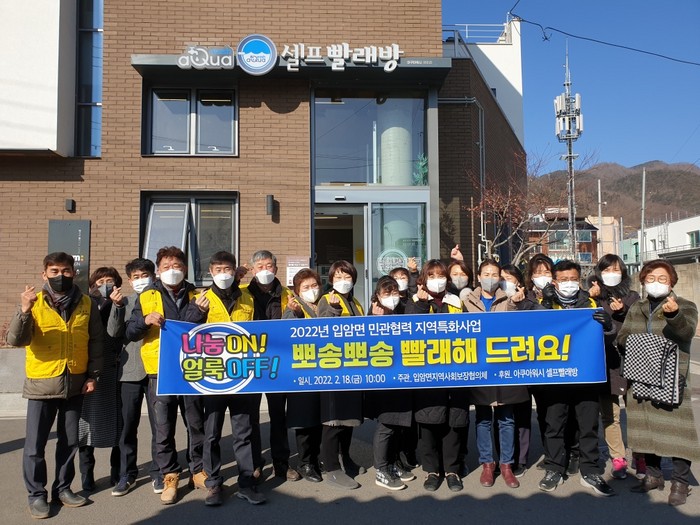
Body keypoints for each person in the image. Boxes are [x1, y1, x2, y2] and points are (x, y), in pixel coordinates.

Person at [6, 252, 103, 519]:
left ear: (74, 272)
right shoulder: (33, 302)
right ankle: (37, 495)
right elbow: (15, 340)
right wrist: (24, 310)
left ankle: (62, 489)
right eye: (54, 271)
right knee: (35, 445)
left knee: (69, 442)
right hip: (42, 384)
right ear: (44, 274)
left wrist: (93, 376)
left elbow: (95, 341)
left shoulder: (86, 303)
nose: (61, 276)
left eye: (66, 271)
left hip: (76, 383)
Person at [125, 246, 208, 505]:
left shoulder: (198, 296)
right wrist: (144, 321)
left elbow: (206, 328)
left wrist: (198, 311)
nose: (172, 271)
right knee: (163, 427)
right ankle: (170, 476)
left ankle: (198, 470)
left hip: (192, 369)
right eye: (166, 267)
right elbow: (130, 332)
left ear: (185, 268)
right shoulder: (147, 296)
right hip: (159, 372)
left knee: (195, 423)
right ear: (158, 271)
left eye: (177, 266)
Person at [617, 259, 699, 506]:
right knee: (645, 428)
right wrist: (641, 345)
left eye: (662, 279)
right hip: (641, 376)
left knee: (679, 432)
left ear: (672, 282)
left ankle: (680, 482)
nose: (656, 283)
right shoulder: (637, 307)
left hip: (672, 379)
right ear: (643, 281)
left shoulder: (686, 306)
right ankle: (653, 476)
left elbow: (686, 333)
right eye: (651, 278)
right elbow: (623, 337)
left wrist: (674, 315)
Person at [537, 260, 615, 497]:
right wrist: (546, 304)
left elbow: (605, 338)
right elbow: (533, 331)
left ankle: (590, 470)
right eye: (563, 280)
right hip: (555, 376)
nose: (569, 283)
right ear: (554, 282)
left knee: (588, 425)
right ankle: (554, 468)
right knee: (554, 424)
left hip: (585, 375)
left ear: (579, 280)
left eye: (573, 279)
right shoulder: (544, 303)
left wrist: (608, 326)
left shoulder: (590, 303)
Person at [198, 251, 265, 506]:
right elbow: (187, 332)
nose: (223, 274)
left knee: (243, 432)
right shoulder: (201, 299)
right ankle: (214, 484)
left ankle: (246, 483)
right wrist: (196, 312)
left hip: (241, 375)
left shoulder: (247, 298)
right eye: (218, 270)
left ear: (234, 271)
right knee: (211, 433)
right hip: (212, 376)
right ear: (211, 272)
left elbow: (258, 333)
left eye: (227, 269)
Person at [462, 259, 529, 489]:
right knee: (482, 419)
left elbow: (517, 327)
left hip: (504, 367)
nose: (490, 278)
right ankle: (487, 464)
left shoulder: (508, 299)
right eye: (486, 274)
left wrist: (516, 304)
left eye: (494, 274)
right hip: (479, 368)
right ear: (478, 277)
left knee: (506, 419)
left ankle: (506, 465)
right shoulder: (467, 301)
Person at [405, 259, 468, 493]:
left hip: (455, 371)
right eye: (431, 275)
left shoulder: (456, 301)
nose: (437, 280)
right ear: (423, 279)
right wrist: (422, 305)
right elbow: (409, 333)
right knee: (428, 424)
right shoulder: (414, 302)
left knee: (454, 423)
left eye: (441, 275)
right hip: (427, 374)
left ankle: (452, 470)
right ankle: (432, 471)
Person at [240, 250, 301, 482]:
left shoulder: (287, 294)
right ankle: (255, 463)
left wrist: (297, 313)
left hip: (278, 363)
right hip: (250, 363)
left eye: (269, 266)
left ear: (276, 268)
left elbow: (298, 326)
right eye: (260, 266)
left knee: (278, 416)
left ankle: (281, 463)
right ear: (253, 270)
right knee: (250, 417)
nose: (265, 270)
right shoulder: (242, 293)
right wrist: (234, 278)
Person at [108, 258, 161, 497]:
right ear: (129, 281)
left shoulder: (161, 299)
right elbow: (113, 332)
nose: (141, 280)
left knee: (159, 426)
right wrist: (117, 307)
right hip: (130, 372)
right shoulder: (124, 302)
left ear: (154, 276)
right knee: (128, 426)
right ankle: (126, 474)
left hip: (157, 371)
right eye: (136, 277)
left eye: (145, 275)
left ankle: (159, 471)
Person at [587, 254, 640, 480]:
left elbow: (640, 325)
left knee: (636, 413)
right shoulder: (592, 297)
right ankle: (618, 458)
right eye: (606, 270)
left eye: (616, 269)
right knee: (610, 415)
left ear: (623, 272)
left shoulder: (633, 297)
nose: (611, 274)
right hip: (604, 362)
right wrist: (590, 299)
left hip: (632, 362)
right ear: (599, 273)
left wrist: (622, 311)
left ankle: (641, 455)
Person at [317, 260, 366, 490]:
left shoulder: (355, 302)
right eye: (338, 277)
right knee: (333, 421)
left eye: (347, 277)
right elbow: (322, 328)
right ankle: (332, 469)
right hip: (333, 368)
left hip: (353, 366)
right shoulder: (326, 300)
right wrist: (334, 310)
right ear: (331, 280)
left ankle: (346, 459)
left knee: (348, 419)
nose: (343, 281)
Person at [366, 276, 415, 491]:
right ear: (377, 295)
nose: (392, 297)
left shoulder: (402, 311)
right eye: (387, 293)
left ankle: (392, 463)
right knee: (386, 425)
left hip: (402, 378)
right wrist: (374, 321)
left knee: (397, 426)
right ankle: (381, 469)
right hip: (383, 380)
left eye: (394, 292)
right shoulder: (371, 316)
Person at [78, 267, 123, 492]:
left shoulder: (123, 303)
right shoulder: (84, 304)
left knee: (118, 423)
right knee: (85, 424)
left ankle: (117, 470)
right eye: (100, 281)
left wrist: (117, 306)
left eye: (109, 280)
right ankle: (87, 473)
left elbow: (118, 333)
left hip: (114, 368)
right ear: (92, 285)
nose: (105, 284)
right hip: (88, 370)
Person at [500, 264, 542, 478]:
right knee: (504, 416)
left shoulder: (530, 301)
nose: (505, 281)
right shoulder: (496, 300)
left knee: (523, 414)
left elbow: (545, 320)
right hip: (502, 364)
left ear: (518, 280)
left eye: (509, 277)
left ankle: (521, 459)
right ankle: (505, 457)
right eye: (501, 278)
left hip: (527, 364)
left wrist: (522, 303)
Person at [283, 268, 324, 483]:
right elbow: (285, 333)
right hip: (301, 372)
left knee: (319, 419)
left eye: (314, 285)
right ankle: (305, 462)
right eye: (305, 287)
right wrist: (296, 314)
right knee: (305, 421)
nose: (311, 290)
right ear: (297, 290)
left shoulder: (324, 304)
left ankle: (316, 458)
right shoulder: (293, 307)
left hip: (323, 370)